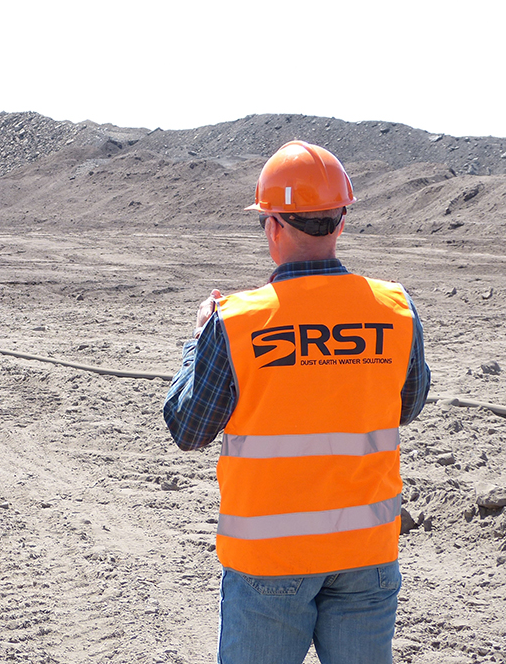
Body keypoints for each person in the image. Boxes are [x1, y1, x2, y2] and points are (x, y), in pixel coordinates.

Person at [162, 140, 430, 664]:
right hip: (366, 552)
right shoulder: (396, 310)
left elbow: (188, 429)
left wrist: (198, 340)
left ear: (272, 226)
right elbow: (405, 407)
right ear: (340, 222)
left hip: (270, 559)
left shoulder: (237, 321)